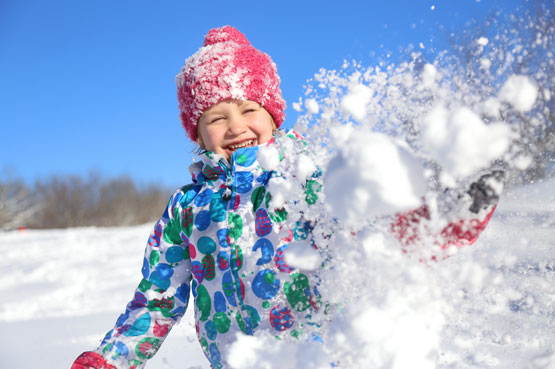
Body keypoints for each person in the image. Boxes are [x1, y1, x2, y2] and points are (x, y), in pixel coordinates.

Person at [71, 25, 502, 369]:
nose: (236, 126)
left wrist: (430, 226)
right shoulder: (186, 209)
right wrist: (110, 360)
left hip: (322, 357)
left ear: (272, 115)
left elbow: (367, 233)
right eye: (217, 118)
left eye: (249, 110)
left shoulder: (305, 177)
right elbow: (159, 297)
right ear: (197, 133)